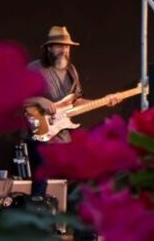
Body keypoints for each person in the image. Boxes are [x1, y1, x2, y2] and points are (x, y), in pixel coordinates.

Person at [23, 26, 119, 197]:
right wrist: (39, 100)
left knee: (79, 178)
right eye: (60, 46)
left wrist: (104, 101)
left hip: (63, 137)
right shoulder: (35, 69)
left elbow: (76, 101)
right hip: (41, 135)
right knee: (40, 186)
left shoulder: (72, 71)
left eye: (67, 47)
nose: (64, 50)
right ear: (49, 48)